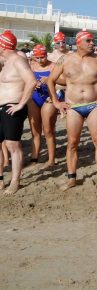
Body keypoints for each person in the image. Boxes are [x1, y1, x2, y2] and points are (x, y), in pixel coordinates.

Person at [47, 29, 97, 190]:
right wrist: (56, 102)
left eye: (93, 40)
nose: (93, 43)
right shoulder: (65, 59)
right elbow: (50, 80)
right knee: (72, 143)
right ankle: (72, 177)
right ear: (79, 42)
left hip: (94, 105)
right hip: (73, 106)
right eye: (89, 41)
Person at [0, 31, 36, 193]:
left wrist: (21, 104)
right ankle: (1, 179)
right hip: (2, 108)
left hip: (12, 107)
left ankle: (15, 181)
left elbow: (31, 81)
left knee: (12, 144)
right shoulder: (6, 62)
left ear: (3, 46)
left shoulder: (18, 61)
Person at [27, 44, 60, 168]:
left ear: (47, 55)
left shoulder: (53, 66)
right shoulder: (31, 66)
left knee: (48, 130)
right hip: (34, 98)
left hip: (49, 98)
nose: (40, 60)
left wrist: (49, 80)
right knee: (35, 131)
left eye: (43, 57)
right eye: (37, 57)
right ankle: (34, 158)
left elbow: (63, 84)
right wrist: (33, 84)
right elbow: (26, 81)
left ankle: (51, 159)